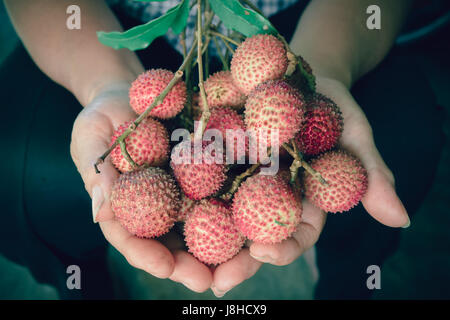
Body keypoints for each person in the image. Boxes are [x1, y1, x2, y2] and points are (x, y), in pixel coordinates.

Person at [1, 0, 444, 299]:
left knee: (406, 137)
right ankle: (79, 285)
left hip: (306, 26)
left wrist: (325, 69)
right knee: (17, 165)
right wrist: (104, 83)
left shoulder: (272, 114)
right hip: (108, 25)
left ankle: (350, 283)